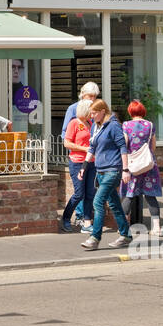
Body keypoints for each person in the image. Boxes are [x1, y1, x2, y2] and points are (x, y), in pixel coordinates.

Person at [81, 98, 131, 251]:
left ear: (103, 111)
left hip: (113, 170)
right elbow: (92, 148)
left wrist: (125, 170)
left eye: (94, 113)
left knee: (97, 202)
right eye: (91, 113)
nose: (92, 116)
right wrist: (84, 166)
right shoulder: (97, 127)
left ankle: (95, 238)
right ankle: (125, 235)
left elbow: (123, 147)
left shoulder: (113, 125)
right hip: (101, 171)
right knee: (115, 205)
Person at [121, 100, 163, 236]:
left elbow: (125, 145)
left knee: (129, 195)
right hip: (148, 165)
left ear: (130, 111)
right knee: (151, 195)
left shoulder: (126, 125)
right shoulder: (150, 125)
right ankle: (156, 227)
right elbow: (153, 147)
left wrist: (125, 168)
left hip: (133, 166)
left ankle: (124, 227)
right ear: (143, 111)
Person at [60, 100, 95, 233]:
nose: (92, 113)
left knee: (90, 193)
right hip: (77, 162)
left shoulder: (90, 123)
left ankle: (87, 223)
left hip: (91, 162)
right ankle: (66, 218)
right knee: (79, 193)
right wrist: (84, 148)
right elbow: (67, 143)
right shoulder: (74, 123)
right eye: (91, 110)